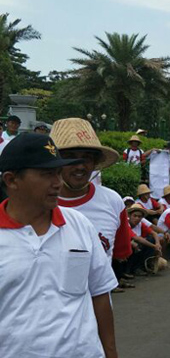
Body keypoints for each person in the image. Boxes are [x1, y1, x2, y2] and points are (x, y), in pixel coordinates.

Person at [0, 133, 122, 358]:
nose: (57, 182)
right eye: (46, 174)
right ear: (12, 180)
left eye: (58, 173)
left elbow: (99, 294)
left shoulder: (78, 225)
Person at [52, 118, 133, 293]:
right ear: (54, 161)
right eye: (70, 158)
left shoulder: (113, 202)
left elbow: (121, 252)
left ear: (95, 162)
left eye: (87, 158)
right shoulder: (34, 205)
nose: (80, 166)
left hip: (97, 311)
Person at [125, 203, 163, 276]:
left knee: (151, 239)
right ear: (129, 216)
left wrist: (157, 244)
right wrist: (154, 246)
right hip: (125, 245)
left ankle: (141, 266)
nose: (137, 218)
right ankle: (128, 270)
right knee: (135, 244)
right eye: (135, 216)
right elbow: (136, 238)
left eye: (139, 216)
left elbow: (154, 233)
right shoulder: (126, 224)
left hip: (137, 244)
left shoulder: (140, 224)